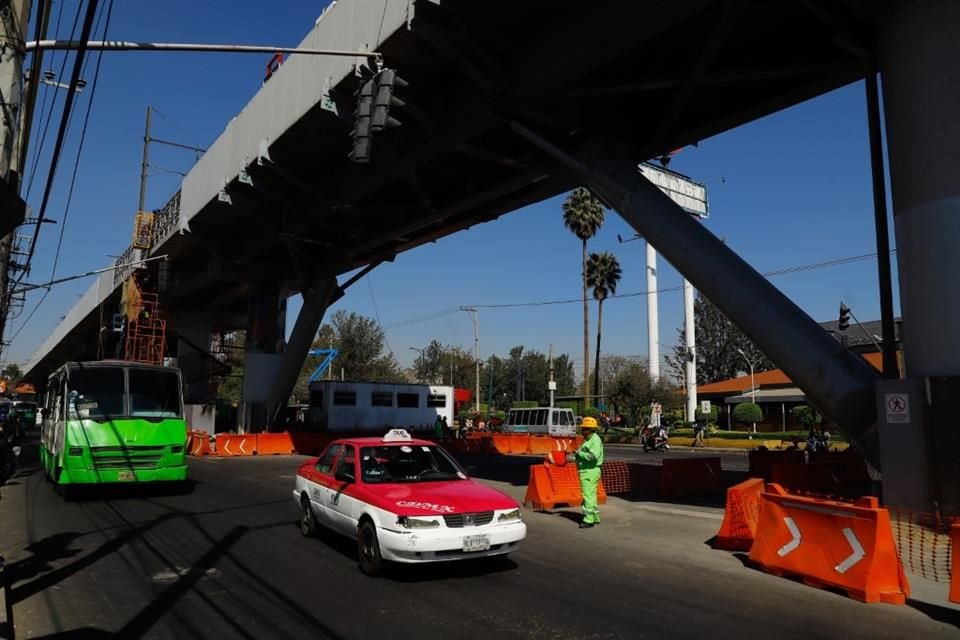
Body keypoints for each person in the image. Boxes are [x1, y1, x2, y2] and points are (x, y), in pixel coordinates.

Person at [568, 416, 604, 528]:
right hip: (589, 471)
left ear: (589, 429)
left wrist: (579, 454)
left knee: (588, 496)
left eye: (584, 429)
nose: (582, 431)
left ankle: (588, 520)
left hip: (589, 471)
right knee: (591, 496)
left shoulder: (594, 440)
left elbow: (592, 457)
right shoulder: (589, 440)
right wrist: (572, 458)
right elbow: (583, 456)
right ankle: (595, 517)